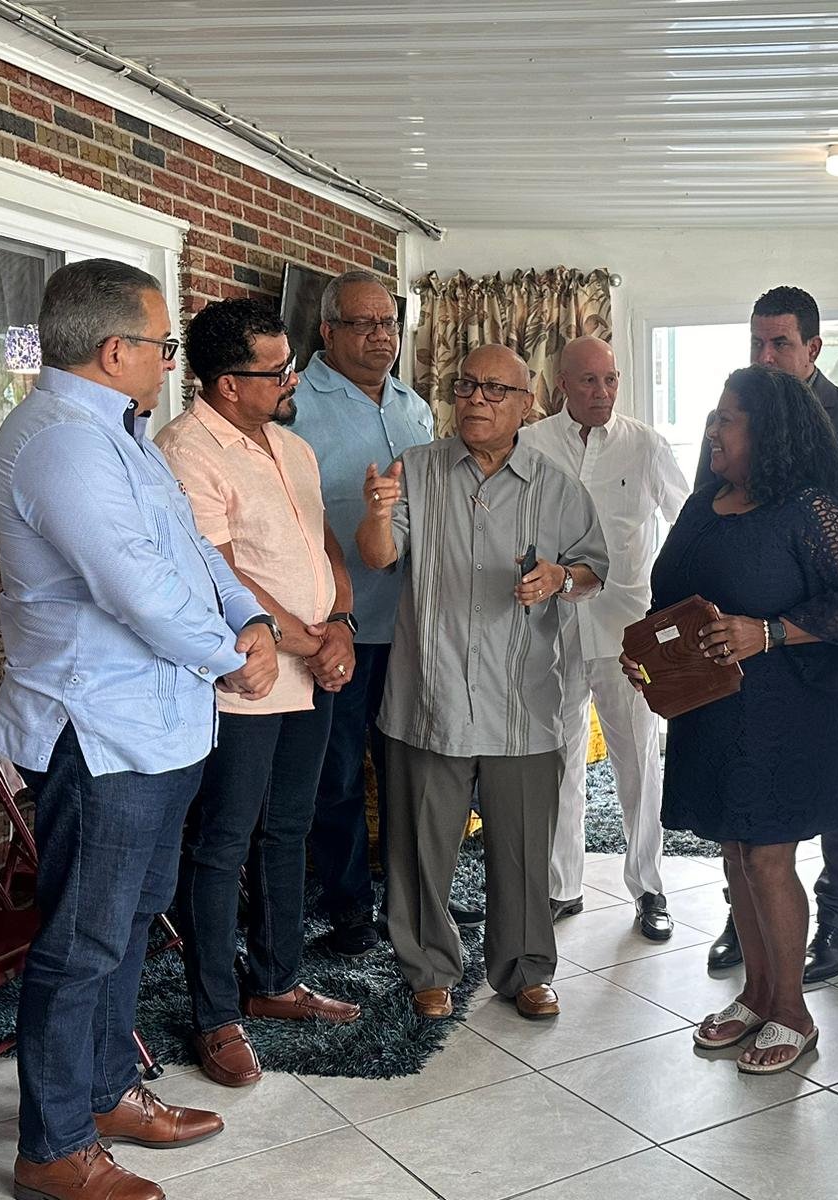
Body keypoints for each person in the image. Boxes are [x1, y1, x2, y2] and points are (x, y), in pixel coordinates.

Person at [0, 260, 278, 1200]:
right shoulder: (60, 444)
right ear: (116, 350)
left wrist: (251, 618)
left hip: (160, 728)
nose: (170, 361)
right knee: (84, 941)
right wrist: (230, 656)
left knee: (125, 925)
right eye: (164, 345)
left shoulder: (123, 430)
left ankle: (107, 1091)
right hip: (100, 733)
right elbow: (135, 588)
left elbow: (189, 550)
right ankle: (53, 1147)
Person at [626, 364, 838, 1074]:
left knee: (769, 857)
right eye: (714, 416)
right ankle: (757, 994)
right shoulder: (705, 504)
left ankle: (792, 1012)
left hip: (787, 707)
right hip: (711, 705)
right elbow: (671, 596)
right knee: (734, 851)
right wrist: (649, 655)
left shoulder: (812, 509)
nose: (713, 429)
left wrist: (767, 633)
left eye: (727, 418)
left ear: (768, 432)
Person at [359, 344, 609, 1021]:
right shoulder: (417, 469)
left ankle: (524, 970)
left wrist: (561, 577)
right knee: (420, 850)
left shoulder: (556, 486)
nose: (476, 398)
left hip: (521, 701)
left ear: (527, 405)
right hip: (429, 696)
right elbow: (379, 556)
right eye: (467, 385)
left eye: (496, 390)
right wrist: (377, 513)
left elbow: (594, 568)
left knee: (523, 851)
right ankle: (428, 969)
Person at [155, 299, 362, 1090]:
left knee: (290, 830)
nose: (291, 379)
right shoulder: (185, 451)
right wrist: (307, 640)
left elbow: (323, 543)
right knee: (223, 843)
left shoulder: (292, 445)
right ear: (227, 384)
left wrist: (340, 624)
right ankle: (216, 1014)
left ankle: (275, 981)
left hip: (312, 669)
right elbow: (217, 571)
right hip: (246, 678)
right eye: (276, 370)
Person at [700, 286, 838, 983]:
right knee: (742, 785)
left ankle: (837, 921)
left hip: (818, 645)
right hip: (737, 648)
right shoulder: (731, 417)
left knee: (837, 779)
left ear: (813, 347)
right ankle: (746, 918)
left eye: (780, 342)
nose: (766, 354)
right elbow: (711, 512)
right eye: (757, 341)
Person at [287, 269, 441, 958]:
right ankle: (349, 906)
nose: (382, 336)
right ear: (328, 330)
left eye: (390, 324)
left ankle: (415, 898)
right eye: (364, 323)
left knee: (414, 772)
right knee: (340, 774)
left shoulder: (415, 407)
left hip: (413, 624)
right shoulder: (295, 403)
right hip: (336, 627)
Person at [525, 335, 690, 937]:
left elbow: (686, 521)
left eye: (611, 379)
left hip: (628, 631)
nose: (603, 391)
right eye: (590, 380)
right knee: (559, 758)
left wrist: (670, 604)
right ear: (562, 385)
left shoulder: (645, 444)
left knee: (639, 760)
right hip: (551, 629)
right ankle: (561, 886)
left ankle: (649, 887)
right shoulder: (532, 443)